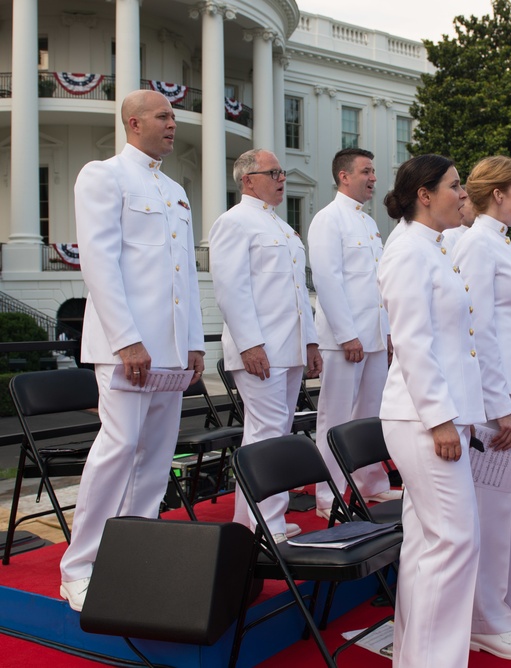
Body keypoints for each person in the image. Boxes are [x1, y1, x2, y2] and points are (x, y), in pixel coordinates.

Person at [59, 90, 206, 611]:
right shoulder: (103, 175)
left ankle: (134, 551)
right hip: (129, 348)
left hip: (168, 349)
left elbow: (183, 274)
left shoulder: (175, 190)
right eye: (163, 116)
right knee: (117, 449)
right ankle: (78, 565)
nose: (173, 122)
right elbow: (99, 261)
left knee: (157, 454)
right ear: (133, 122)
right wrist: (126, 339)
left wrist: (192, 343)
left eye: (173, 115)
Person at [378, 155, 485, 668]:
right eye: (453, 186)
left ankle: (415, 658)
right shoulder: (408, 252)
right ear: (424, 193)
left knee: (427, 547)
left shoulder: (432, 248)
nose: (461, 195)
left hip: (435, 414)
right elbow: (413, 344)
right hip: (423, 419)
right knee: (455, 541)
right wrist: (440, 419)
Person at [453, 156, 511, 660]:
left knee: (508, 503)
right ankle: (484, 618)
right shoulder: (475, 243)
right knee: (490, 508)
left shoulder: (497, 243)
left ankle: (506, 600)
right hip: (492, 393)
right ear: (497, 194)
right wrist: (499, 404)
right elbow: (478, 329)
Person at [210, 149, 322, 540]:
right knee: (268, 434)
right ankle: (264, 521)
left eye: (281, 172)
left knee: (271, 431)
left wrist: (310, 342)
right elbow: (230, 289)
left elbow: (297, 292)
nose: (281, 178)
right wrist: (249, 344)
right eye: (273, 172)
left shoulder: (281, 227)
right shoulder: (234, 222)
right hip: (260, 349)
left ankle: (253, 517)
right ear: (247, 179)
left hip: (287, 347)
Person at [307, 148, 398, 518]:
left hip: (373, 336)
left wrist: (386, 332)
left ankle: (369, 482)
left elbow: (376, 285)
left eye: (373, 171)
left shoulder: (368, 223)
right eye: (366, 171)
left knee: (370, 414)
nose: (373, 178)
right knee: (336, 417)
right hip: (344, 340)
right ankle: (327, 495)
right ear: (344, 176)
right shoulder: (328, 219)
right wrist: (347, 334)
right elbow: (327, 281)